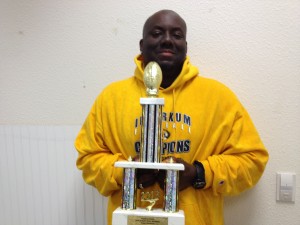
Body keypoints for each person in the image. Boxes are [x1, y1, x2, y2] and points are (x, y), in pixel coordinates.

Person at [75, 9, 269, 225]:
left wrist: (199, 173)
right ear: (141, 44)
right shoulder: (111, 98)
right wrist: (127, 174)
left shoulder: (218, 98)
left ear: (186, 46)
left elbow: (253, 161)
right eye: (157, 33)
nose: (167, 40)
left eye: (176, 35)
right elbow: (88, 158)